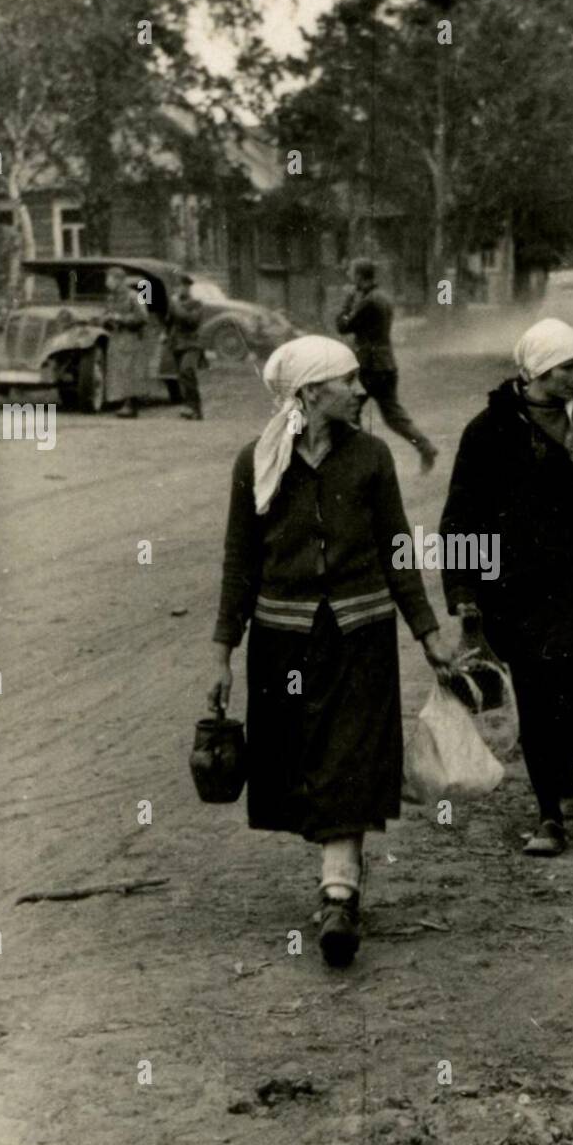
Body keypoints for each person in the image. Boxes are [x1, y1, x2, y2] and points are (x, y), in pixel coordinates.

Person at [208, 335, 454, 966]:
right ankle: (337, 879)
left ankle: (339, 893)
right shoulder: (255, 463)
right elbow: (240, 562)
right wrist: (222, 654)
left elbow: (398, 550)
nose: (359, 390)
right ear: (312, 392)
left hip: (360, 635)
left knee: (351, 756)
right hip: (282, 640)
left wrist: (428, 634)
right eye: (347, 381)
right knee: (301, 763)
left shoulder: (371, 457)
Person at [439, 317, 573, 857]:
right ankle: (549, 813)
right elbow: (461, 517)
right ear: (535, 371)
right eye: (566, 369)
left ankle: (565, 770)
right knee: (537, 700)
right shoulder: (489, 430)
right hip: (519, 590)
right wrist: (464, 596)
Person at [335, 257, 438, 473]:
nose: (349, 276)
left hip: (369, 367)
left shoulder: (368, 301)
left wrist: (347, 301)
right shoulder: (382, 297)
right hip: (386, 364)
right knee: (393, 416)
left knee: (347, 410)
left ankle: (359, 462)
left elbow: (343, 326)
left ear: (360, 276)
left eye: (352, 273)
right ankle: (425, 447)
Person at [103, 265, 149, 419]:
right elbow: (107, 314)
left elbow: (143, 317)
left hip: (130, 338)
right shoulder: (111, 298)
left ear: (119, 280)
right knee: (119, 371)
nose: (107, 282)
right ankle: (122, 402)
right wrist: (105, 320)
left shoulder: (134, 296)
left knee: (129, 371)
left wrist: (120, 319)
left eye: (109, 279)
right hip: (116, 337)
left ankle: (131, 404)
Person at [166, 272, 205, 420]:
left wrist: (175, 305)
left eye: (183, 286)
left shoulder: (196, 304)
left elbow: (191, 321)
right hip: (177, 344)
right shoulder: (173, 303)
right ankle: (189, 407)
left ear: (189, 288)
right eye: (178, 286)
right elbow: (169, 321)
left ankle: (196, 408)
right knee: (182, 376)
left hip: (192, 343)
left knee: (187, 371)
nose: (180, 289)